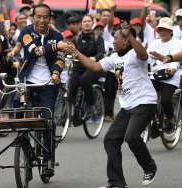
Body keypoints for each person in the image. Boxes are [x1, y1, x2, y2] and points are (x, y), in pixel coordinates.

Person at [66, 22, 158, 188]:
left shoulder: (135, 54)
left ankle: (149, 167)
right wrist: (75, 51)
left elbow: (144, 55)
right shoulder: (114, 58)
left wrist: (129, 34)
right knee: (111, 139)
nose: (113, 41)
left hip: (144, 102)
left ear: (126, 41)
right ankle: (116, 182)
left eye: (116, 38)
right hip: (127, 106)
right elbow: (93, 66)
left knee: (131, 137)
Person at [16, 3, 67, 178]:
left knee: (48, 121)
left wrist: (55, 72)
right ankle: (23, 142)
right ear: (32, 17)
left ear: (50, 18)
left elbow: (61, 58)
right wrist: (55, 46)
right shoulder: (26, 32)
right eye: (38, 16)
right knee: (17, 104)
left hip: (48, 83)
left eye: (45, 17)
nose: (41, 20)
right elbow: (35, 51)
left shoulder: (57, 35)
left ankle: (48, 161)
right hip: (28, 81)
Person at [147, 17, 181, 135]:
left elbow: (177, 58)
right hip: (155, 75)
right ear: (158, 31)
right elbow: (146, 59)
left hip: (170, 75)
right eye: (161, 29)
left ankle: (171, 119)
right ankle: (155, 122)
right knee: (147, 98)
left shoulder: (176, 42)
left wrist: (173, 68)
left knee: (166, 100)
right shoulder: (154, 43)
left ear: (171, 31)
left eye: (166, 29)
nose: (163, 32)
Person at [69, 14, 105, 124]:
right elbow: (71, 51)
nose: (87, 23)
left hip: (93, 68)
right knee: (72, 86)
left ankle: (90, 106)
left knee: (84, 79)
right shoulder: (75, 39)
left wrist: (94, 58)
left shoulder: (98, 38)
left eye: (89, 21)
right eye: (85, 21)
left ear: (92, 23)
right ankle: (75, 112)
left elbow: (101, 52)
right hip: (78, 67)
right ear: (81, 24)